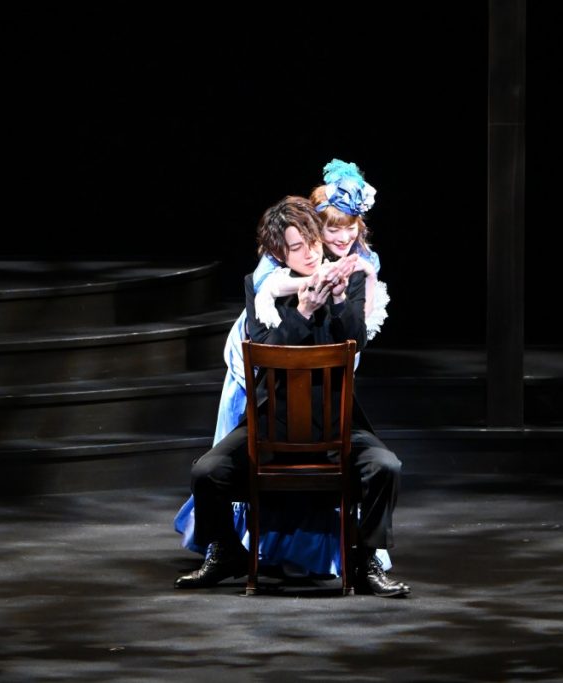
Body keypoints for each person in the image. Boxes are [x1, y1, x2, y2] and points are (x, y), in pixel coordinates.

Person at [174, 196, 409, 597]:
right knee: (207, 472)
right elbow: (264, 356)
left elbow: (357, 341)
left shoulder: (345, 278)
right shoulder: (264, 289)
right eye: (297, 248)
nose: (310, 253)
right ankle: (226, 552)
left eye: (313, 242)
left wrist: (338, 300)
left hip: (335, 424)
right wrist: (301, 313)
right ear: (279, 253)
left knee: (386, 467)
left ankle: (365, 560)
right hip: (273, 422)